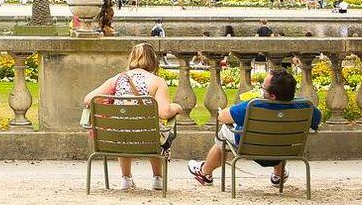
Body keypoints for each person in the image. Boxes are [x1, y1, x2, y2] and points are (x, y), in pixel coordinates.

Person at [189, 69, 319, 188]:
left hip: (250, 148)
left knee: (223, 131)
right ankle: (279, 175)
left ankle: (205, 172)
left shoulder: (253, 106)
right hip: (285, 150)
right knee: (279, 133)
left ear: (272, 95)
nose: (261, 89)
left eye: (263, 86)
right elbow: (317, 121)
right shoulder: (305, 106)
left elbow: (222, 117)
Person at [81, 43, 177, 190]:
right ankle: (157, 178)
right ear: (153, 61)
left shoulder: (118, 79)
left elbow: (89, 99)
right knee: (154, 130)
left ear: (131, 58)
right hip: (147, 139)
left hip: (117, 138)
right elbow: (164, 113)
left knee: (124, 126)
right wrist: (177, 108)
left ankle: (126, 178)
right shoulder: (157, 82)